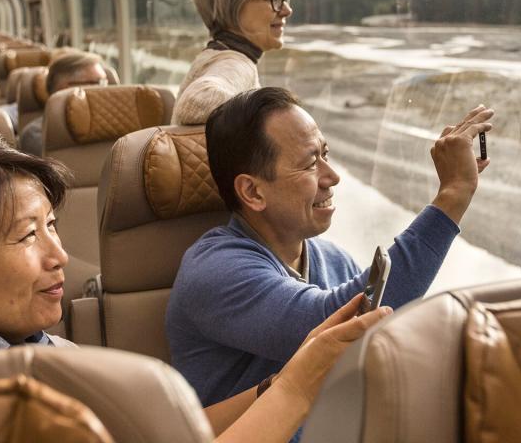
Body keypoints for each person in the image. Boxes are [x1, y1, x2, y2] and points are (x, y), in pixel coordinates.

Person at [0, 103, 389, 442]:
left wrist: (277, 384)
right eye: (27, 235)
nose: (59, 255)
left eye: (53, 226)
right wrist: (299, 387)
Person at [167, 87, 493, 409]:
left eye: (326, 154)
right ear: (252, 192)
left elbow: (384, 337)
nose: (332, 176)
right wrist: (453, 195)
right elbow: (333, 328)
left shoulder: (333, 260)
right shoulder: (214, 271)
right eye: (311, 163)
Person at [172, 0, 292, 125]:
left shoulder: (215, 56)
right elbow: (195, 102)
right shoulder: (235, 64)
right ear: (236, 3)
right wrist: (276, 113)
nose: (287, 10)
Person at [18, 51, 108, 156]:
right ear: (66, 89)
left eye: (105, 82)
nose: (106, 89)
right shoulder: (37, 135)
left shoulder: (113, 128)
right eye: (98, 83)